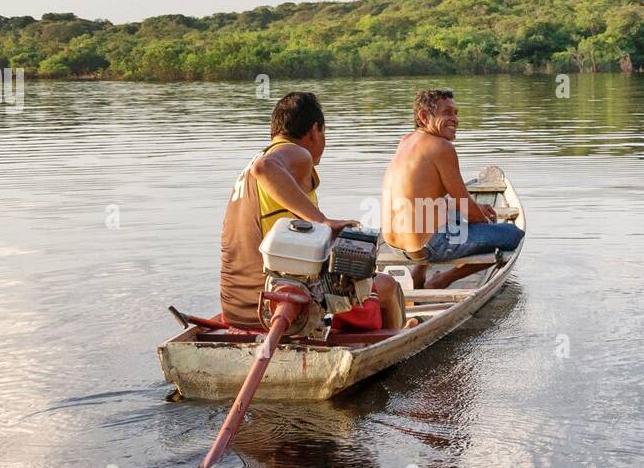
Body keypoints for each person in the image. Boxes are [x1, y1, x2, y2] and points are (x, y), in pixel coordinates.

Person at [220, 92, 406, 330]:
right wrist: (323, 221)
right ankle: (395, 341)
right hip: (275, 306)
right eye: (324, 132)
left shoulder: (252, 166)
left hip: (237, 309)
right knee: (388, 287)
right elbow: (265, 168)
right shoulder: (295, 154)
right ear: (314, 130)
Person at [381, 89, 524, 290]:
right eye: (447, 113)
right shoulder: (442, 147)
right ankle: (443, 279)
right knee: (512, 234)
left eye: (456, 113)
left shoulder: (406, 141)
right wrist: (487, 228)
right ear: (424, 116)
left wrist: (471, 209)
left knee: (451, 214)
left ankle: (418, 273)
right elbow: (469, 212)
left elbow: (425, 198)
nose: (455, 119)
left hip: (394, 244)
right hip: (429, 246)